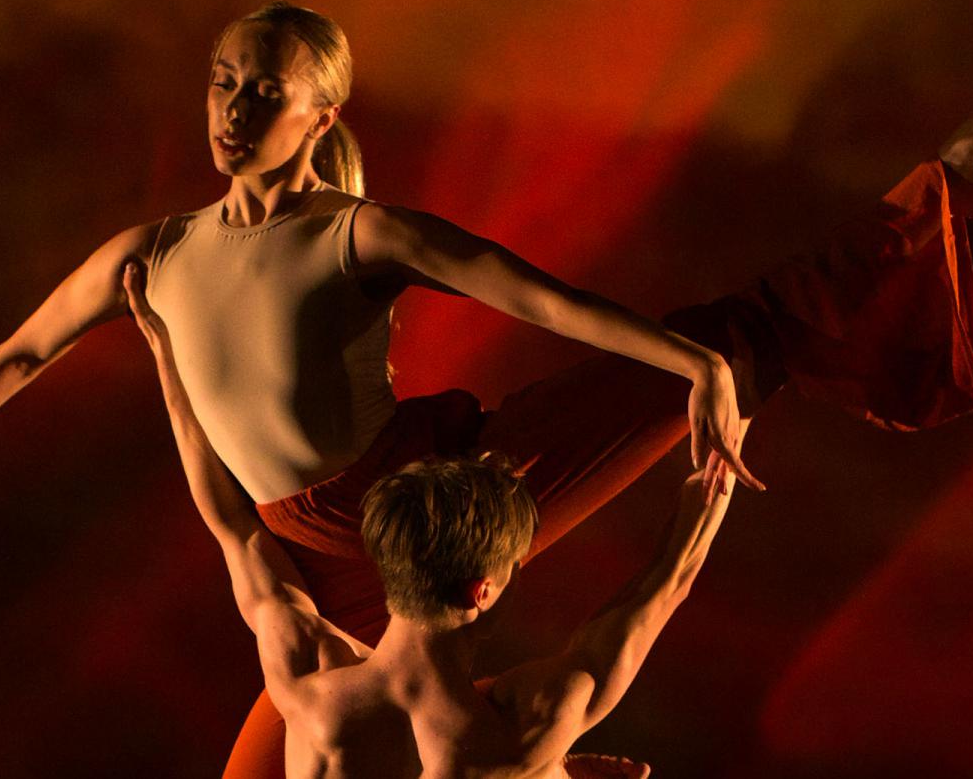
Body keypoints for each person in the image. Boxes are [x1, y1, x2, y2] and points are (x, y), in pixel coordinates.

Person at [0, 0, 973, 777]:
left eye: (267, 91)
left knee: (736, 340)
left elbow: (532, 296)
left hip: (433, 497)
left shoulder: (354, 234)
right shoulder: (149, 258)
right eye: (224, 80)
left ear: (321, 117)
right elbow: (17, 352)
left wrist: (688, 368)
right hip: (304, 547)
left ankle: (950, 189)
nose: (235, 107)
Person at [123, 255, 706, 777]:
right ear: (482, 589)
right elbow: (663, 586)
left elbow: (232, 524)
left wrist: (165, 356)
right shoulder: (516, 738)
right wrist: (717, 475)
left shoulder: (311, 692)